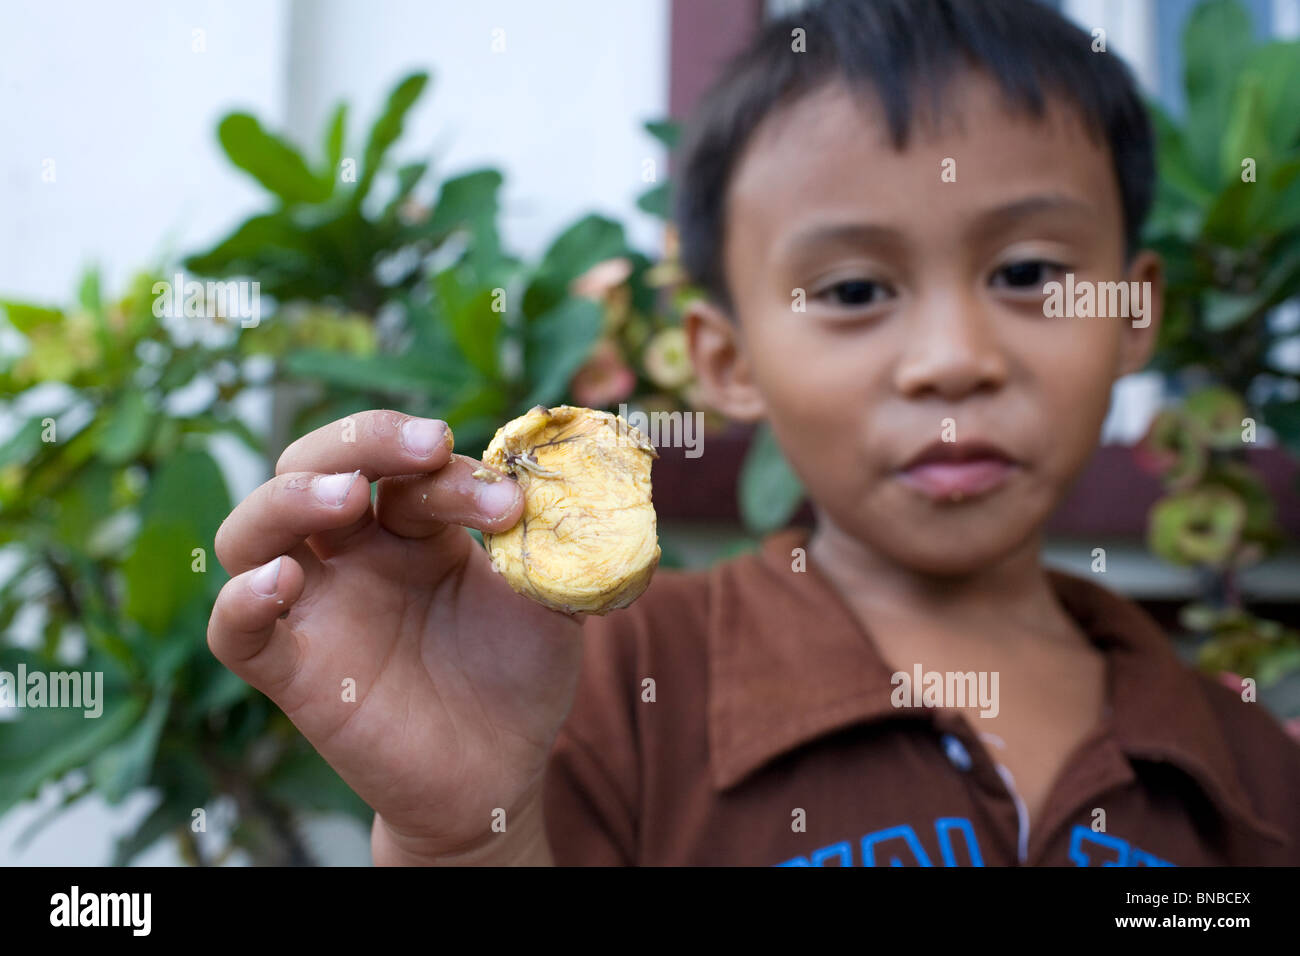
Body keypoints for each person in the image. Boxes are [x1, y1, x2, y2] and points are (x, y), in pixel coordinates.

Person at [206, 0, 1300, 866]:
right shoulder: (598, 684)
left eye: (1026, 273)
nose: (952, 357)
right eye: (855, 287)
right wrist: (463, 841)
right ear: (722, 360)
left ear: (1130, 310)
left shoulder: (1248, 765)